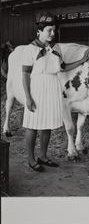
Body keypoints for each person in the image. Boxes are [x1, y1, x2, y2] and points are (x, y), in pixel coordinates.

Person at [22, 12, 64, 171]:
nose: (53, 34)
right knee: (32, 125)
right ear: (39, 31)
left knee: (47, 124)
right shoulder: (30, 49)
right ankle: (31, 159)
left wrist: (81, 61)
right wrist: (28, 97)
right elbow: (25, 75)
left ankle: (43, 156)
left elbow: (63, 67)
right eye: (49, 30)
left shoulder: (56, 47)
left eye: (54, 31)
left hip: (52, 87)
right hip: (37, 89)